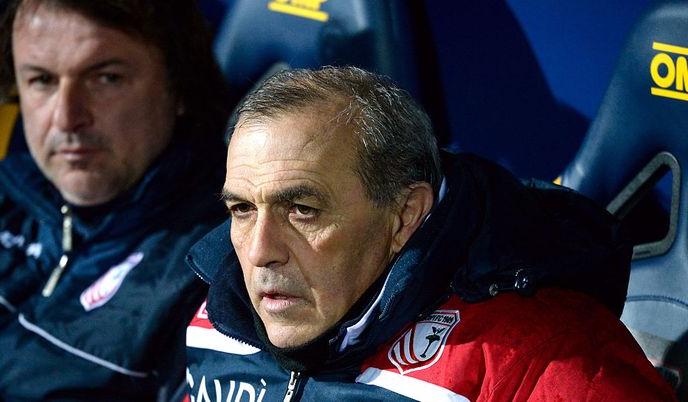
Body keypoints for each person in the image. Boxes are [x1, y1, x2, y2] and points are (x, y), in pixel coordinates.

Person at [184, 66, 678, 401]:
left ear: (404, 216)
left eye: (302, 210)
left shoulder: (543, 361)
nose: (259, 252)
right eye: (242, 209)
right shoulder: (218, 319)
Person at [0, 0, 230, 400]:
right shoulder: (10, 195)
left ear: (180, 87)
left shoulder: (221, 258)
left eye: (105, 78)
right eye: (41, 80)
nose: (66, 117)